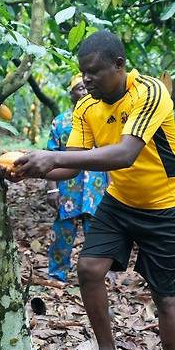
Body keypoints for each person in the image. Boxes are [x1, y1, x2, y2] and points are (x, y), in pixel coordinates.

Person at [0, 30, 175, 350]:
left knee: (163, 295)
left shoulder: (148, 93)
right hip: (119, 202)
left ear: (119, 65)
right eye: (83, 72)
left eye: (94, 71)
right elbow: (71, 165)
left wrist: (52, 156)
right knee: (88, 268)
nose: (86, 79)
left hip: (167, 205)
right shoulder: (86, 107)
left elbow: (125, 153)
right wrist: (29, 169)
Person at [45, 75, 109, 283]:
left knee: (96, 232)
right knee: (63, 232)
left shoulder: (102, 118)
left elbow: (113, 154)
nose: (83, 92)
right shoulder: (61, 122)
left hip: (96, 187)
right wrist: (52, 189)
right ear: (71, 94)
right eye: (78, 88)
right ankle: (57, 273)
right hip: (68, 188)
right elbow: (50, 156)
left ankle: (96, 275)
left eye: (85, 88)